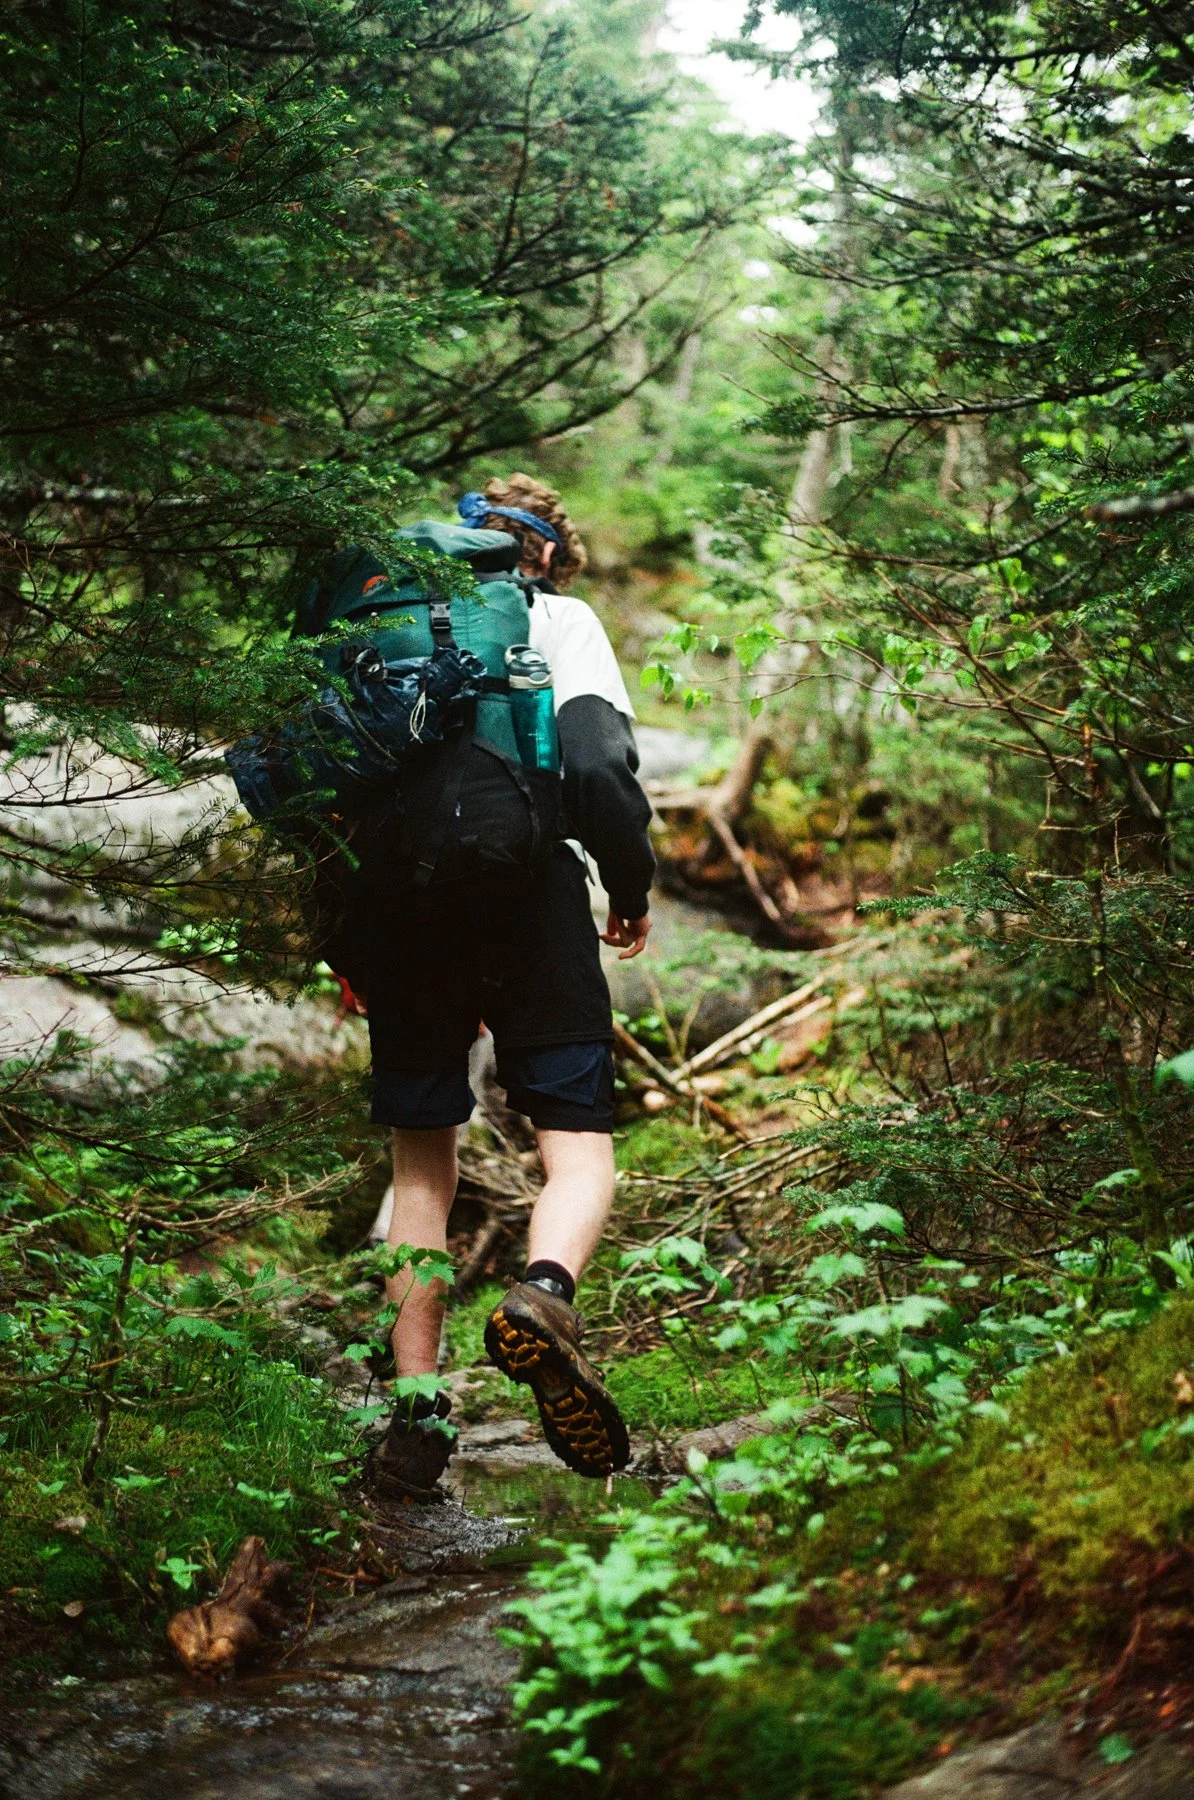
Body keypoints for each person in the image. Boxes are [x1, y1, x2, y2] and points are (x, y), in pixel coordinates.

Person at [357, 474, 655, 1496]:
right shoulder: (559, 620)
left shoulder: (378, 625)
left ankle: (416, 1415)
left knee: (418, 1172)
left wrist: (352, 944)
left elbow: (332, 794)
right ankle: (542, 1295)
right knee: (575, 1150)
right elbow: (601, 764)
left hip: (397, 912)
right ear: (550, 556)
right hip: (534, 897)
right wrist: (631, 887)